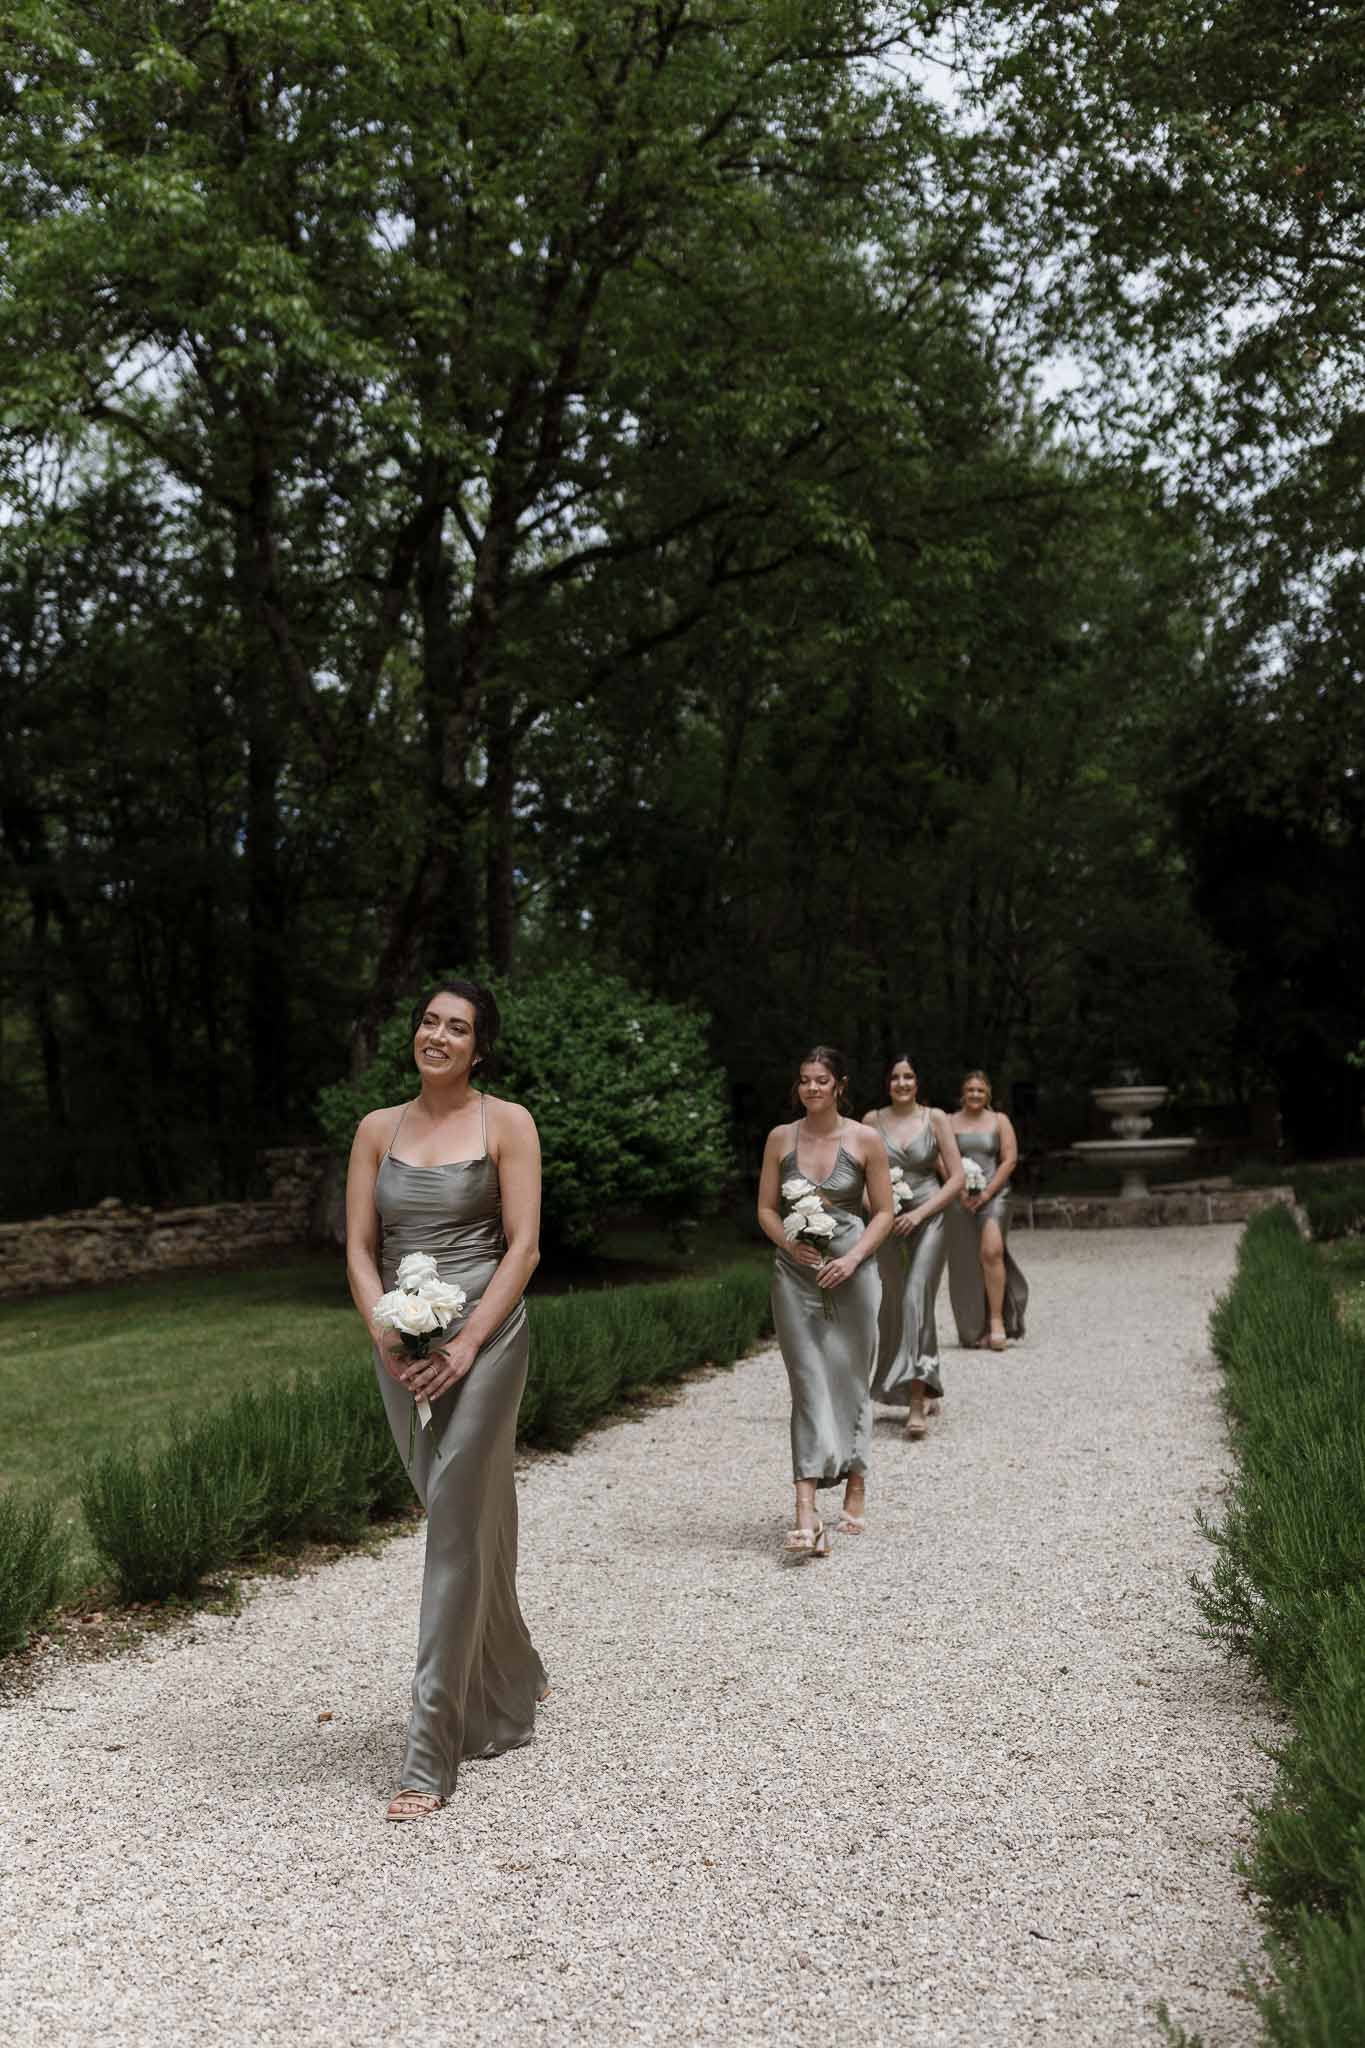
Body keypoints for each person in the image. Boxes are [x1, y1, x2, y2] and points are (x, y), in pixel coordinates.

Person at [346, 979, 547, 1821]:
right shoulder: (374, 1131)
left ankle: (431, 1749)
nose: (436, 1035)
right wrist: (385, 1334)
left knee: (456, 1524)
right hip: (402, 1344)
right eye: (427, 1020)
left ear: (478, 1046)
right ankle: (513, 1674)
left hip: (486, 1339)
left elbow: (525, 1246)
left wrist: (465, 1343)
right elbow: (358, 1250)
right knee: (457, 1512)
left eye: (455, 1027)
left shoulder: (508, 1123)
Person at [756, 1045, 895, 1557]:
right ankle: (805, 1510)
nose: (811, 1088)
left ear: (839, 1085)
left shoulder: (866, 1139)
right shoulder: (779, 1139)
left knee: (851, 1377)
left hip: (853, 1271)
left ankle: (855, 1479)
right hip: (795, 1273)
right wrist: (787, 1243)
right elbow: (766, 1209)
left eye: (820, 1080)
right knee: (808, 1380)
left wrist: (854, 1258)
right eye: (804, 1080)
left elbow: (883, 1212)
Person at [863, 1054, 964, 1438]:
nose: (902, 1083)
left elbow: (954, 1179)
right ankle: (905, 1381)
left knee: (916, 1297)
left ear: (918, 1082)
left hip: (930, 1215)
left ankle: (918, 1401)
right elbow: (858, 1173)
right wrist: (879, 1211)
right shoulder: (872, 1121)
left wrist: (919, 1215)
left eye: (909, 1076)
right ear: (887, 1083)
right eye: (895, 1077)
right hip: (886, 1219)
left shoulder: (934, 1118)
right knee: (892, 1303)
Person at [945, 1068, 1028, 1351]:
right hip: (960, 1197)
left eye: (980, 1090)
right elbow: (940, 1159)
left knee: (992, 1252)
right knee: (967, 1261)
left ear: (988, 1093)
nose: (975, 1095)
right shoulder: (948, 1121)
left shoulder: (999, 1120)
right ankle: (972, 1328)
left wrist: (988, 1191)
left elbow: (1010, 1159)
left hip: (995, 1196)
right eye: (970, 1090)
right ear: (962, 1094)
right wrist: (959, 1190)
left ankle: (996, 1321)